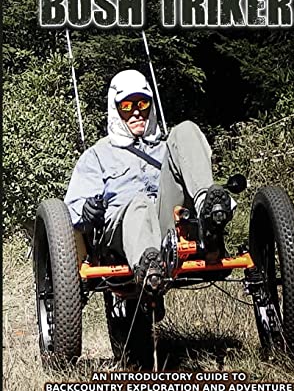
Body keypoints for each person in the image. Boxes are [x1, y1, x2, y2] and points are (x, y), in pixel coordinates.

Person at [64, 69, 235, 285]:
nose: (136, 112)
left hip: (168, 228)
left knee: (185, 130)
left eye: (142, 104)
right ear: (116, 110)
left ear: (150, 106)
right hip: (121, 236)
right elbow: (70, 210)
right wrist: (87, 211)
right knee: (140, 203)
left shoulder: (168, 148)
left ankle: (209, 221)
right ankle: (148, 264)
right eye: (126, 106)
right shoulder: (97, 155)